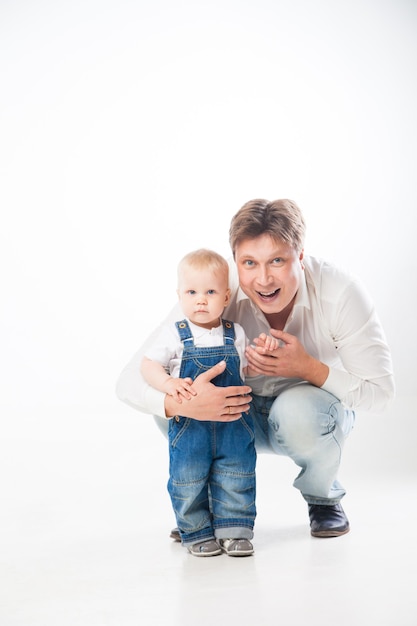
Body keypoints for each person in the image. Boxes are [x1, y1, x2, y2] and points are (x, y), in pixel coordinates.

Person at [117, 199, 395, 541]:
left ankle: (323, 497)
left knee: (299, 412)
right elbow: (130, 380)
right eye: (249, 263)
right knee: (167, 399)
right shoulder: (213, 289)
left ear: (301, 256)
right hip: (231, 412)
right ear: (235, 261)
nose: (263, 279)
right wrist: (183, 404)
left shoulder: (341, 293)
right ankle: (204, 510)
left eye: (277, 261)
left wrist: (307, 367)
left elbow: (381, 396)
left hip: (308, 416)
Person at [140, 248, 279, 557]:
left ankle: (234, 529)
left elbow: (245, 372)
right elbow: (148, 365)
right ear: (179, 295)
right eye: (191, 292)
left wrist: (262, 356)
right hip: (191, 428)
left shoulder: (236, 333)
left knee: (237, 474)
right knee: (188, 478)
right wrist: (169, 383)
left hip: (234, 426)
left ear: (226, 297)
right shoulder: (175, 334)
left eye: (210, 291)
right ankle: (195, 531)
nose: (200, 299)